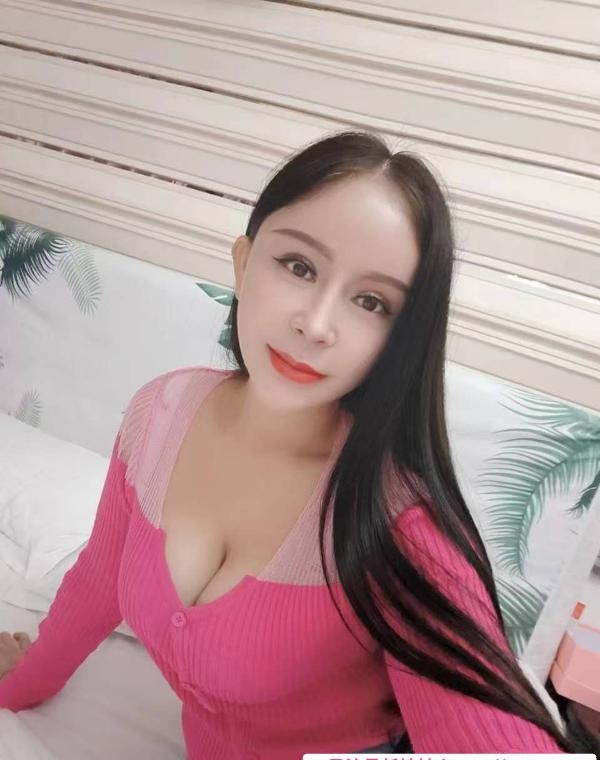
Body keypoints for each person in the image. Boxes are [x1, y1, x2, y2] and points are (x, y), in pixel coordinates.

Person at [0, 130, 598, 758]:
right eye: (299, 266)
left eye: (371, 301)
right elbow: (98, 579)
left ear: (400, 337)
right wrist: (22, 682)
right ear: (243, 262)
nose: (315, 324)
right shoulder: (159, 415)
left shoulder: (400, 526)